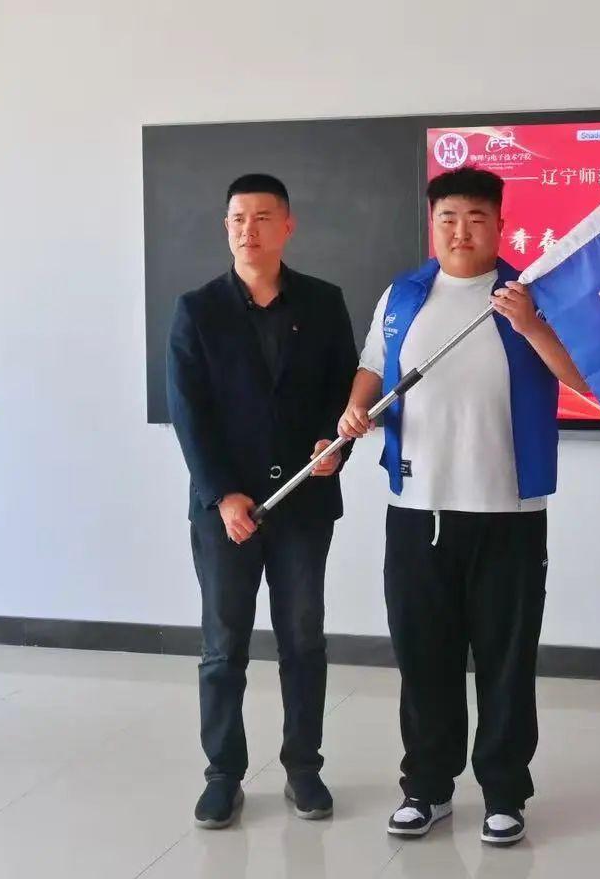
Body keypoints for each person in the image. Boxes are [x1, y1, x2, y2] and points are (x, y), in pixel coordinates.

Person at [340, 167, 586, 849]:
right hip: (418, 509)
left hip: (508, 511)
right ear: (433, 223)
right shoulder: (403, 296)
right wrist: (356, 408)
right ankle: (427, 787)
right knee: (424, 658)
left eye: (476, 218)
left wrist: (530, 326)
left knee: (505, 661)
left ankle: (505, 793)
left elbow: (580, 377)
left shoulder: (529, 295)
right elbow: (372, 365)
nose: (460, 231)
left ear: (500, 225)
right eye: (448, 217)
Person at [166, 174, 359, 830]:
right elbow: (189, 414)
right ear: (227, 227)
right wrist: (222, 494)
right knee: (224, 646)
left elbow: (343, 395)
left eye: (262, 217)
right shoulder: (197, 310)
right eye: (237, 218)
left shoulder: (324, 303)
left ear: (288, 225)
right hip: (227, 513)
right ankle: (223, 775)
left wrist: (335, 448)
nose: (248, 229)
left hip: (304, 504)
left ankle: (304, 768)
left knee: (303, 641)